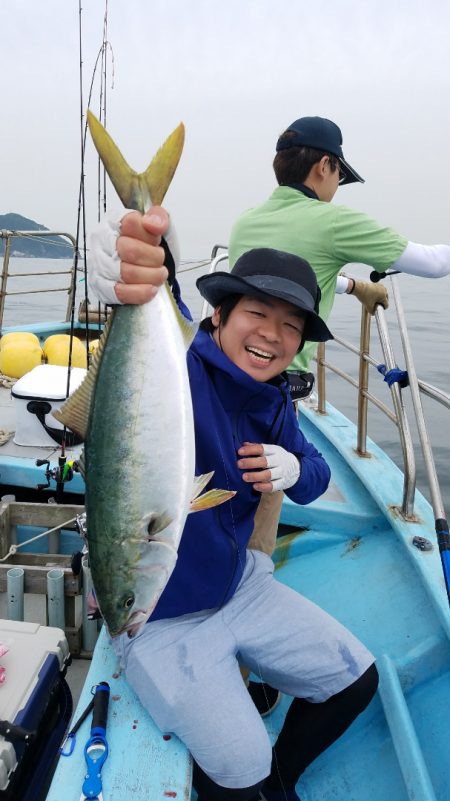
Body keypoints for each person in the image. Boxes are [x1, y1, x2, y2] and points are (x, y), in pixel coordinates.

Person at [88, 210, 379, 801]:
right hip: (158, 616)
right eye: (256, 313)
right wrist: (127, 269)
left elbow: (315, 476)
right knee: (239, 776)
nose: (272, 335)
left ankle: (284, 780)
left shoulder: (274, 400)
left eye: (290, 325)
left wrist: (295, 468)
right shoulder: (181, 368)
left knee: (356, 680)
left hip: (237, 584)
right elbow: (152, 309)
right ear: (217, 316)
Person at [229, 114, 450, 399]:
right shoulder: (333, 221)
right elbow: (435, 264)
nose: (336, 186)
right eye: (340, 176)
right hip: (275, 386)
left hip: (229, 374)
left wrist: (356, 286)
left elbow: (287, 277)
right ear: (324, 166)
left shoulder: (246, 221)